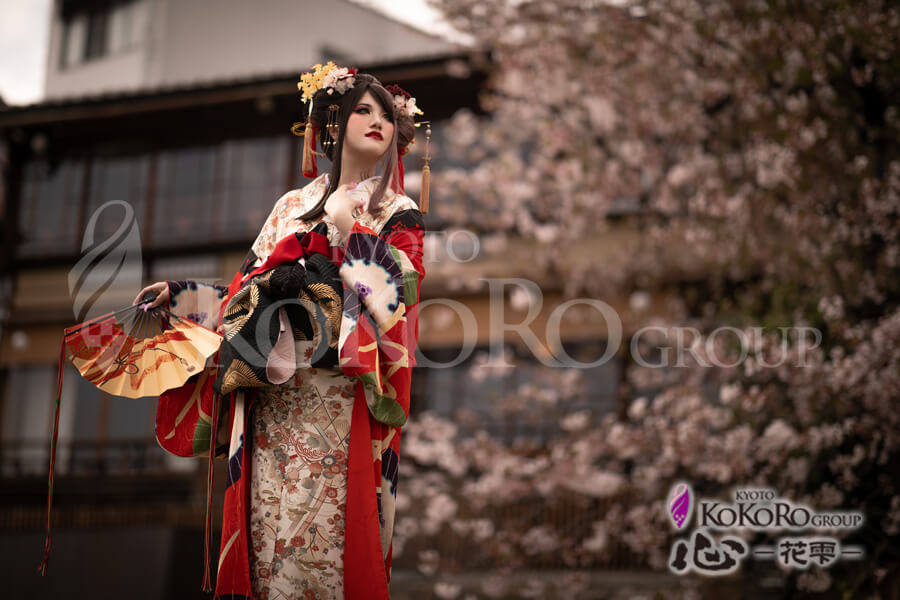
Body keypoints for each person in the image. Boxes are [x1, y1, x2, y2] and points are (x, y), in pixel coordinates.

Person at [134, 64, 427, 600]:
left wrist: (346, 223)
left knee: (325, 542)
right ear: (331, 125)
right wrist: (181, 297)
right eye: (363, 108)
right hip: (272, 389)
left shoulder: (398, 211)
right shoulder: (289, 207)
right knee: (266, 533)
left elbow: (395, 299)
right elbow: (244, 289)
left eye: (386, 113)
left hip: (338, 393)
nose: (378, 120)